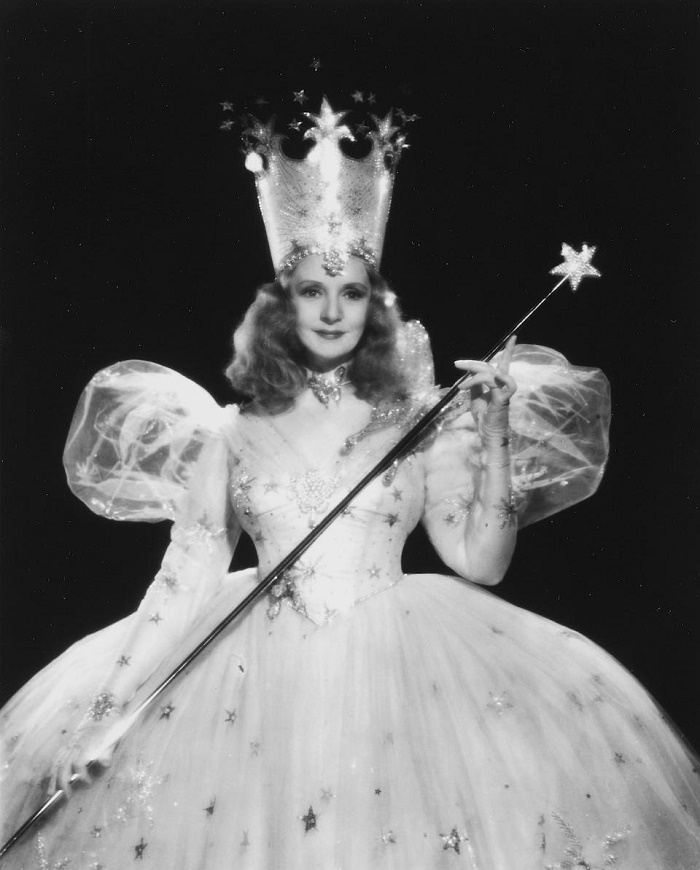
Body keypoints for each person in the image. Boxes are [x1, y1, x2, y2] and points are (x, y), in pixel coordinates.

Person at [2, 101, 699, 869]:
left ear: (375, 305)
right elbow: (184, 576)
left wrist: (494, 427)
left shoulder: (422, 421)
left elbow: (480, 561)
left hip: (404, 681)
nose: (332, 310)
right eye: (311, 291)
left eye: (352, 292)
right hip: (250, 691)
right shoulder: (230, 431)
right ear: (280, 303)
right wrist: (110, 707)